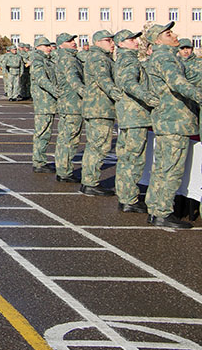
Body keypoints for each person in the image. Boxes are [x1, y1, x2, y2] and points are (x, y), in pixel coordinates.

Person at [142, 21, 202, 228]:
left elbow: (190, 75)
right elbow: (177, 82)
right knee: (171, 169)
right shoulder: (165, 58)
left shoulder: (164, 57)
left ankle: (155, 209)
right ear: (158, 40)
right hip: (174, 121)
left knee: (162, 168)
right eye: (168, 33)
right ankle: (162, 213)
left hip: (169, 120)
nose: (174, 35)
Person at [112, 30, 153, 213]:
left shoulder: (122, 59)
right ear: (121, 43)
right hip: (135, 115)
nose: (135, 42)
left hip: (128, 115)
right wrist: (147, 96)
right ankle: (130, 198)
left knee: (126, 157)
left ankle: (125, 196)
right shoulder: (129, 60)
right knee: (134, 159)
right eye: (130, 39)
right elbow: (128, 82)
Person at [80, 30, 123, 196]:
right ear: (97, 42)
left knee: (95, 146)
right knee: (99, 146)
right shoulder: (99, 58)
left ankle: (89, 180)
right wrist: (119, 96)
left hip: (98, 108)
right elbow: (104, 80)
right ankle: (90, 182)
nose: (112, 43)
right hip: (100, 108)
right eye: (108, 40)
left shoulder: (99, 56)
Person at [53, 33, 84, 183]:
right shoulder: (68, 59)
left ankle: (62, 169)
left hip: (67, 103)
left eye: (73, 40)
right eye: (69, 41)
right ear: (61, 45)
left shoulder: (63, 57)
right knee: (70, 139)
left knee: (64, 138)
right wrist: (88, 95)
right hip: (73, 104)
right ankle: (65, 171)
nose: (74, 43)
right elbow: (74, 81)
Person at [29, 36, 57, 173]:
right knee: (42, 132)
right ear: (39, 47)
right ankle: (39, 162)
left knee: (46, 132)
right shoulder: (38, 60)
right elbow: (41, 79)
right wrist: (55, 91)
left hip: (48, 102)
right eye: (46, 46)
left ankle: (41, 159)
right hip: (43, 102)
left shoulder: (47, 60)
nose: (49, 48)